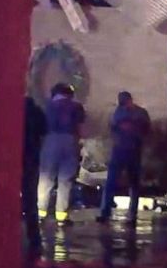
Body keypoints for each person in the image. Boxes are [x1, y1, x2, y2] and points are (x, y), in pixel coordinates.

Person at [97, 91, 151, 227]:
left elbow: (111, 129)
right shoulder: (138, 113)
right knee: (127, 183)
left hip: (126, 150)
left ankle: (109, 213)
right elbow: (146, 130)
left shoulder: (119, 113)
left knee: (121, 183)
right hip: (127, 150)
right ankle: (120, 214)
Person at [37, 83, 86, 226]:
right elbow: (80, 127)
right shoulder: (76, 106)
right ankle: (61, 216)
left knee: (46, 177)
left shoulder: (47, 106)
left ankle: (40, 213)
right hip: (70, 141)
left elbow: (41, 126)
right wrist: (80, 144)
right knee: (65, 179)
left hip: (50, 140)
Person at [23, 96, 47, 254]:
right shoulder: (37, 111)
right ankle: (35, 240)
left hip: (10, 158)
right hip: (31, 159)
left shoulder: (13, 110)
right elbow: (44, 130)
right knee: (30, 200)